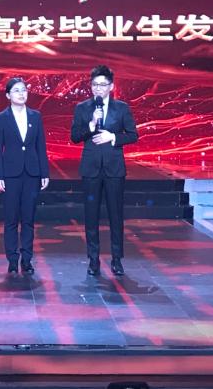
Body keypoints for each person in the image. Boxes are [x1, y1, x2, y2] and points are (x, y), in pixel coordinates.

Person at [70, 65, 138, 276]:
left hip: (114, 169)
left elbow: (133, 135)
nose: (98, 88)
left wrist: (113, 137)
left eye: (102, 84)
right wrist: (91, 125)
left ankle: (117, 259)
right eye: (95, 85)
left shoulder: (121, 108)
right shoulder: (82, 108)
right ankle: (93, 260)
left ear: (111, 86)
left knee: (115, 216)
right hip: (90, 168)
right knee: (91, 216)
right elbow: (74, 136)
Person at [0, 77, 50, 274]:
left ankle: (26, 259)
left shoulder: (35, 116)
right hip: (10, 174)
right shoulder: (2, 118)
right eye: (16, 90)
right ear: (8, 95)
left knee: (28, 219)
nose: (21, 93)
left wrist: (44, 172)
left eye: (23, 90)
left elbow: (41, 146)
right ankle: (12, 259)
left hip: (32, 174)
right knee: (11, 219)